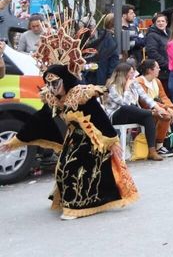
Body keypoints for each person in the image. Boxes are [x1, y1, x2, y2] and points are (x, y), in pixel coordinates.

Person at [4, 63, 139, 219]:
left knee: (73, 168)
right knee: (61, 168)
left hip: (93, 139)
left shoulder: (81, 94)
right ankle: (76, 201)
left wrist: (112, 141)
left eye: (55, 83)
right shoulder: (54, 98)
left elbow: (100, 118)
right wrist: (15, 141)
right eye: (48, 84)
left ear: (65, 80)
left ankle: (76, 206)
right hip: (74, 138)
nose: (52, 87)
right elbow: (38, 120)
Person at [103, 61, 163, 161]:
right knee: (126, 108)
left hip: (131, 113)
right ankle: (151, 113)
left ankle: (152, 151)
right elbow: (125, 104)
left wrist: (158, 108)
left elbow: (145, 97)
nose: (133, 75)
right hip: (116, 116)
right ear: (124, 74)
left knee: (147, 117)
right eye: (131, 73)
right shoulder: (112, 86)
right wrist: (126, 88)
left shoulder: (134, 83)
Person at [134, 58, 173, 154]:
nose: (159, 69)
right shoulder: (140, 81)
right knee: (165, 115)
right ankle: (159, 145)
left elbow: (164, 97)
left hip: (161, 106)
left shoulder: (157, 81)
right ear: (149, 70)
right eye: (157, 67)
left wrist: (171, 107)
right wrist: (167, 109)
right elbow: (145, 102)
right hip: (148, 109)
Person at [83, 13, 119, 86]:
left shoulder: (104, 37)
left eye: (91, 27)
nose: (90, 30)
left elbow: (113, 58)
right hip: (91, 78)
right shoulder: (107, 39)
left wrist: (110, 77)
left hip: (97, 77)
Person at [143, 13, 170, 85]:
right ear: (155, 23)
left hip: (170, 69)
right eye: (158, 21)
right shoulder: (152, 35)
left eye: (163, 21)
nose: (161, 23)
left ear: (166, 23)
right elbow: (152, 52)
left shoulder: (169, 33)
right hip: (161, 71)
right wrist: (166, 64)